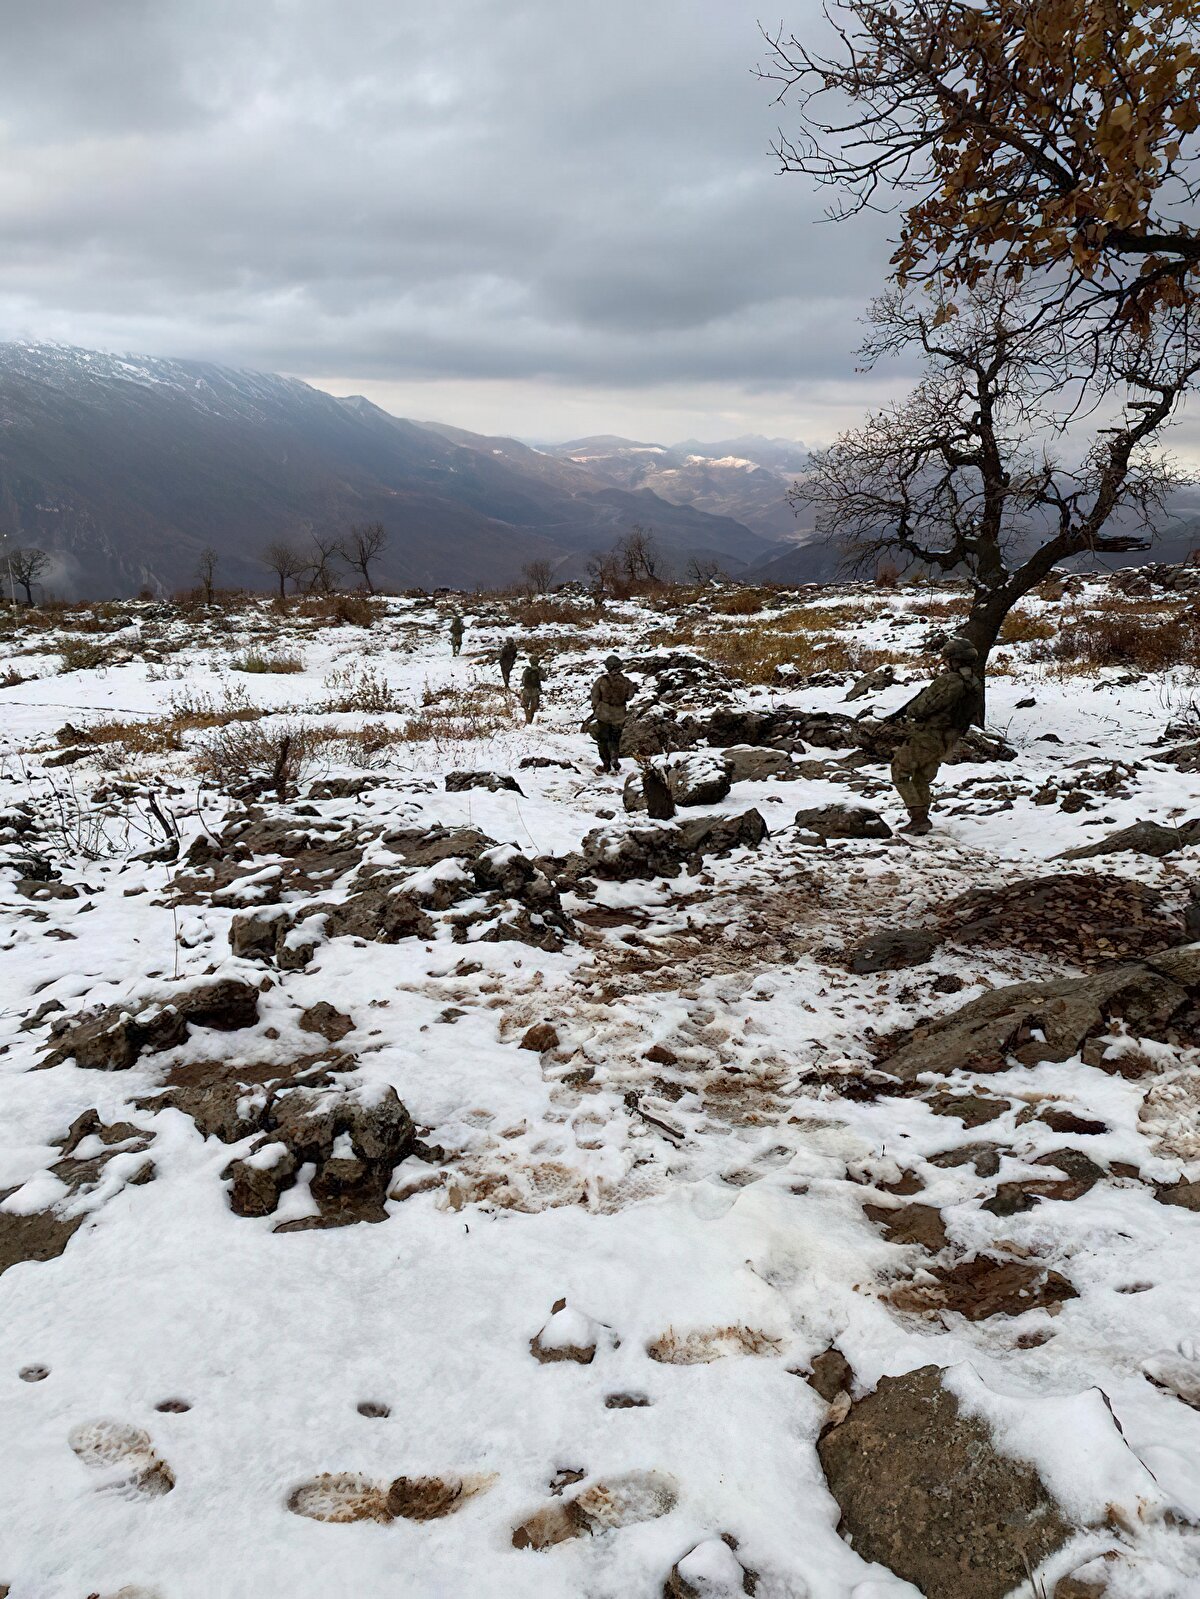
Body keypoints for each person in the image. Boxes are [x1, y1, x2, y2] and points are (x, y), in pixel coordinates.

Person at [888, 637, 984, 834]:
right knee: (921, 777)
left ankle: (918, 817)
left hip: (929, 735)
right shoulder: (974, 683)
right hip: (949, 739)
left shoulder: (950, 681)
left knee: (900, 771)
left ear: (953, 660)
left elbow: (922, 708)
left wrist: (911, 711)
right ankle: (921, 818)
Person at [588, 653, 636, 773]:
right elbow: (630, 697)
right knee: (615, 739)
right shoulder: (626, 681)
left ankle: (606, 764)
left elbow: (595, 697)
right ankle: (615, 759)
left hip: (604, 715)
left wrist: (596, 709)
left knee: (603, 740)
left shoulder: (601, 680)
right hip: (619, 715)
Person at [520, 655, 544, 724]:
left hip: (526, 690)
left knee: (525, 705)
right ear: (538, 662)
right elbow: (544, 678)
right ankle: (530, 718)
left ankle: (528, 717)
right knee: (534, 707)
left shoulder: (527, 670)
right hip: (535, 691)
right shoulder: (539, 669)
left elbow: (523, 680)